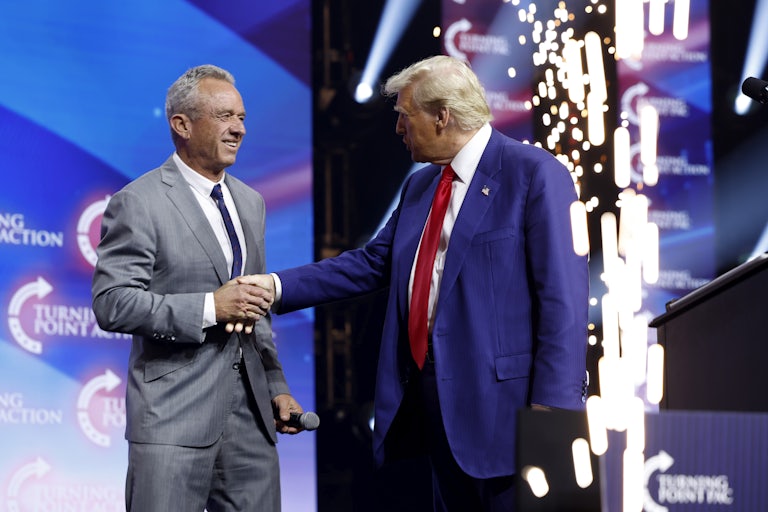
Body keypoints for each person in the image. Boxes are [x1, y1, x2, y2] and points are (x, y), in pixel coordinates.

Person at [239, 55, 589, 511]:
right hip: (437, 414)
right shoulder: (420, 187)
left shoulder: (534, 174)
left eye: (405, 116)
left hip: (512, 418)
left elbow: (563, 300)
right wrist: (274, 287)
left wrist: (552, 417)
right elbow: (369, 264)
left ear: (442, 115)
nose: (398, 129)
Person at [91, 64, 304, 512]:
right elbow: (112, 303)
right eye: (225, 116)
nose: (239, 129)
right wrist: (210, 307)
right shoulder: (139, 201)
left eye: (242, 117)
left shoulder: (251, 202)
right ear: (182, 124)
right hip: (171, 418)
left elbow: (255, 306)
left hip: (251, 422)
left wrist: (276, 384)